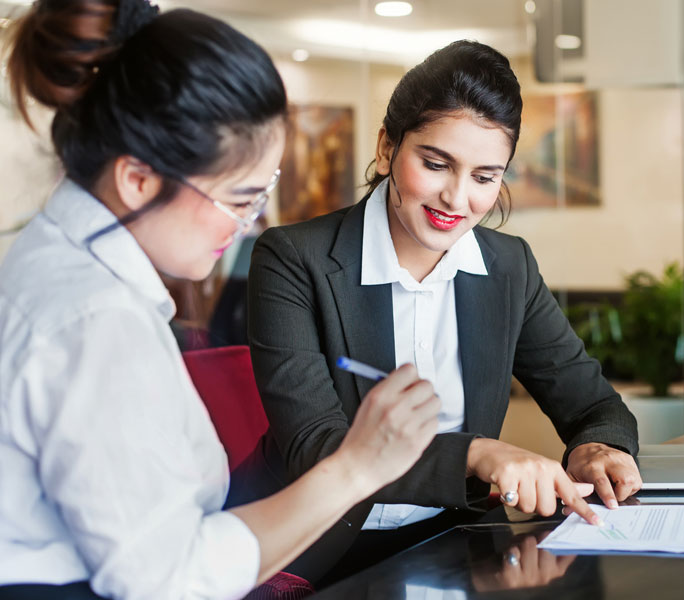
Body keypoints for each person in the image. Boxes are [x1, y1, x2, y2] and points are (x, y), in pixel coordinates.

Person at [0, 1, 440, 598]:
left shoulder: (55, 264)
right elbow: (168, 579)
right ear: (138, 179)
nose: (244, 225)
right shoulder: (95, 322)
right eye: (238, 199)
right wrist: (357, 466)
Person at [245, 39, 643, 585]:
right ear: (387, 148)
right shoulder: (293, 259)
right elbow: (317, 449)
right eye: (436, 164)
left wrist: (599, 449)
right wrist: (477, 455)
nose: (457, 198)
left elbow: (593, 404)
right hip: (319, 549)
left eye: (484, 177)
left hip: (457, 543)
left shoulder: (509, 268)